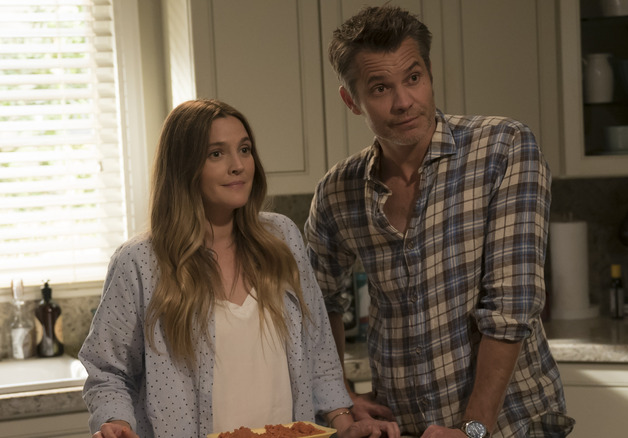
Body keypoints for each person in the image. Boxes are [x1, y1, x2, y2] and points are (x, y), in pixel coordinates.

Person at [305, 6, 575, 438]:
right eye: (380, 88)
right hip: (406, 427)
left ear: (429, 74)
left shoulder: (503, 148)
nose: (403, 101)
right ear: (351, 100)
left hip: (511, 425)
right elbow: (315, 304)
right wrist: (339, 397)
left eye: (413, 78)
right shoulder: (339, 191)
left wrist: (473, 428)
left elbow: (511, 306)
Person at [79, 99, 400, 438]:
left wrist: (345, 425)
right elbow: (107, 370)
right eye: (216, 154)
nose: (238, 166)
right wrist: (115, 423)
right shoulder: (140, 262)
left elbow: (318, 350)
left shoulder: (281, 238)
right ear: (182, 167)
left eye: (244, 150)